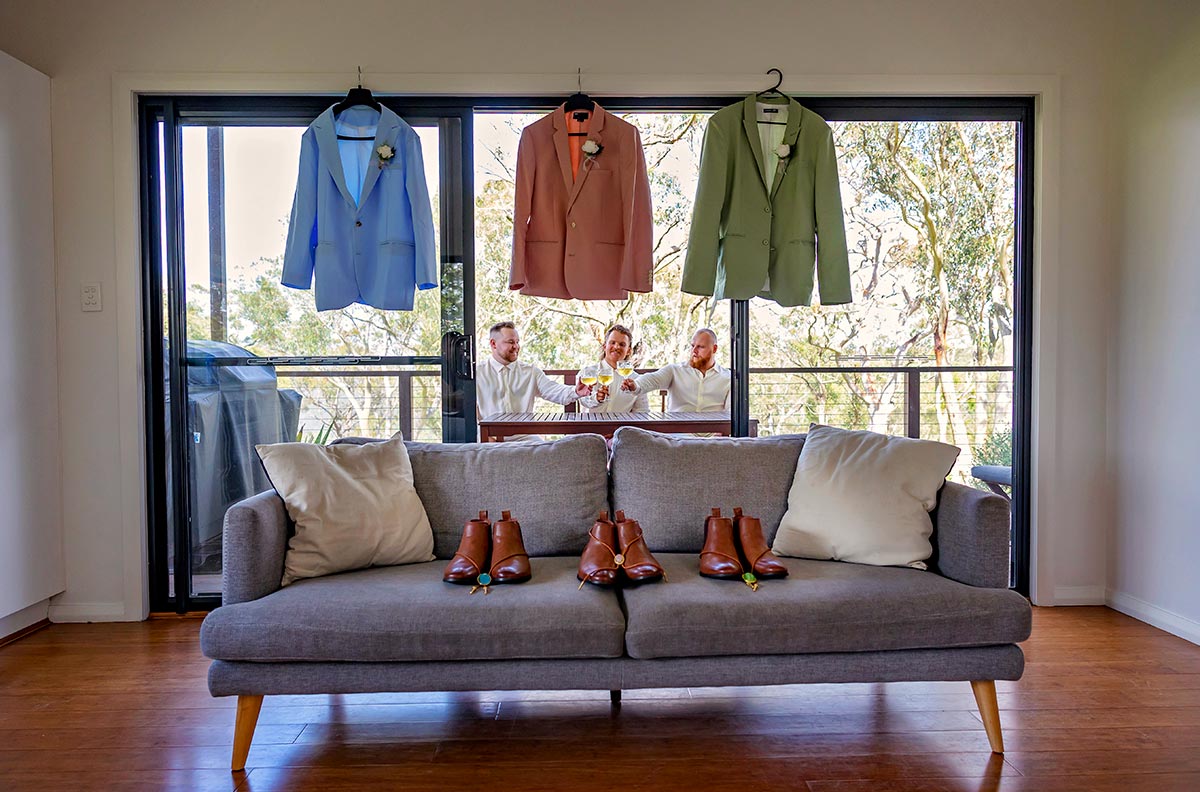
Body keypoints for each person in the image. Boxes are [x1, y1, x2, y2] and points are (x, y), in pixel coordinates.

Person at [475, 321, 591, 420]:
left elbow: (554, 391)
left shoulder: (531, 372)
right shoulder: (477, 374)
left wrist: (576, 392)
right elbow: (467, 413)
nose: (516, 346)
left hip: (525, 438)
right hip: (488, 439)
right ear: (493, 344)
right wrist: (485, 437)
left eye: (517, 342)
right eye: (510, 342)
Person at [620, 328, 731, 412]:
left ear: (714, 348)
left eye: (700, 347)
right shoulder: (675, 370)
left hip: (714, 437)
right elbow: (652, 379)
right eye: (692, 346)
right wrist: (635, 385)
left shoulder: (728, 379)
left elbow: (730, 414)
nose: (694, 351)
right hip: (679, 437)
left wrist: (720, 434)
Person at [577, 324, 650, 413]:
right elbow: (582, 400)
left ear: (628, 351)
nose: (616, 347)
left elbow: (642, 411)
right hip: (591, 425)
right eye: (612, 342)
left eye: (622, 344)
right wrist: (596, 398)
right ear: (604, 346)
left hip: (622, 426)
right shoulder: (587, 373)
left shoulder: (637, 380)